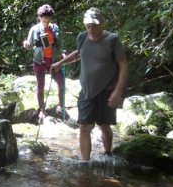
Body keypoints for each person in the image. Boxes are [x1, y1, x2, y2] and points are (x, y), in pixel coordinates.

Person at [50, 8, 128, 161]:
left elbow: (124, 65)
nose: (91, 29)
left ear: (102, 23)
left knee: (104, 126)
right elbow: (79, 54)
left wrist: (118, 92)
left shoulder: (112, 40)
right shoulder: (82, 37)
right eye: (88, 25)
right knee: (84, 128)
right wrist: (60, 63)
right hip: (86, 91)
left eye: (94, 25)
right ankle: (85, 164)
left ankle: (107, 153)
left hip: (107, 91)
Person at [22, 4, 67, 123]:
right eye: (44, 20)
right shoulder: (35, 29)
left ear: (51, 18)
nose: (46, 23)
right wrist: (26, 44)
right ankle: (42, 110)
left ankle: (61, 107)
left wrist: (63, 53)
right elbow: (29, 44)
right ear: (40, 18)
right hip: (39, 60)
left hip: (54, 60)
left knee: (61, 83)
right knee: (40, 85)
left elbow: (60, 44)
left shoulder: (55, 28)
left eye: (48, 20)